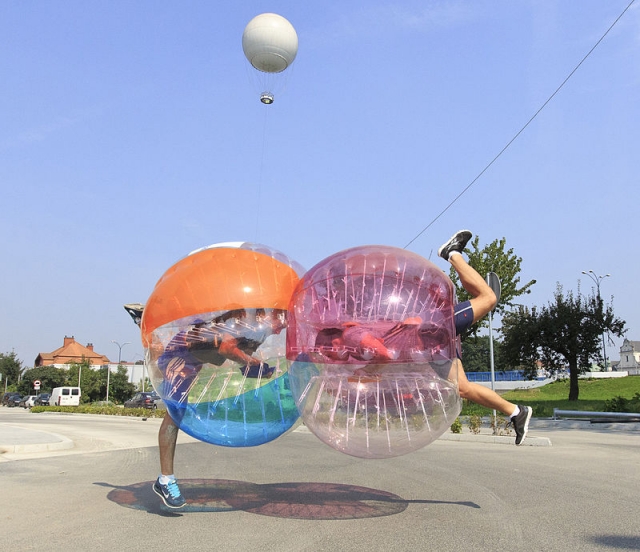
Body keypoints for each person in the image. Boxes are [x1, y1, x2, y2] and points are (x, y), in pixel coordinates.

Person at [125, 304, 284, 508]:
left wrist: (258, 368)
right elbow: (226, 348)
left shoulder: (260, 332)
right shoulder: (245, 320)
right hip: (181, 353)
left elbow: (239, 361)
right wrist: (251, 363)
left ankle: (146, 322)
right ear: (268, 313)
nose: (280, 329)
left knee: (176, 407)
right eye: (281, 321)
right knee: (175, 411)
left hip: (197, 360)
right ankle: (165, 480)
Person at [438, 230, 532, 445]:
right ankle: (452, 253)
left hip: (430, 330)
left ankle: (516, 412)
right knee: (462, 387)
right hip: (430, 330)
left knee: (488, 298)